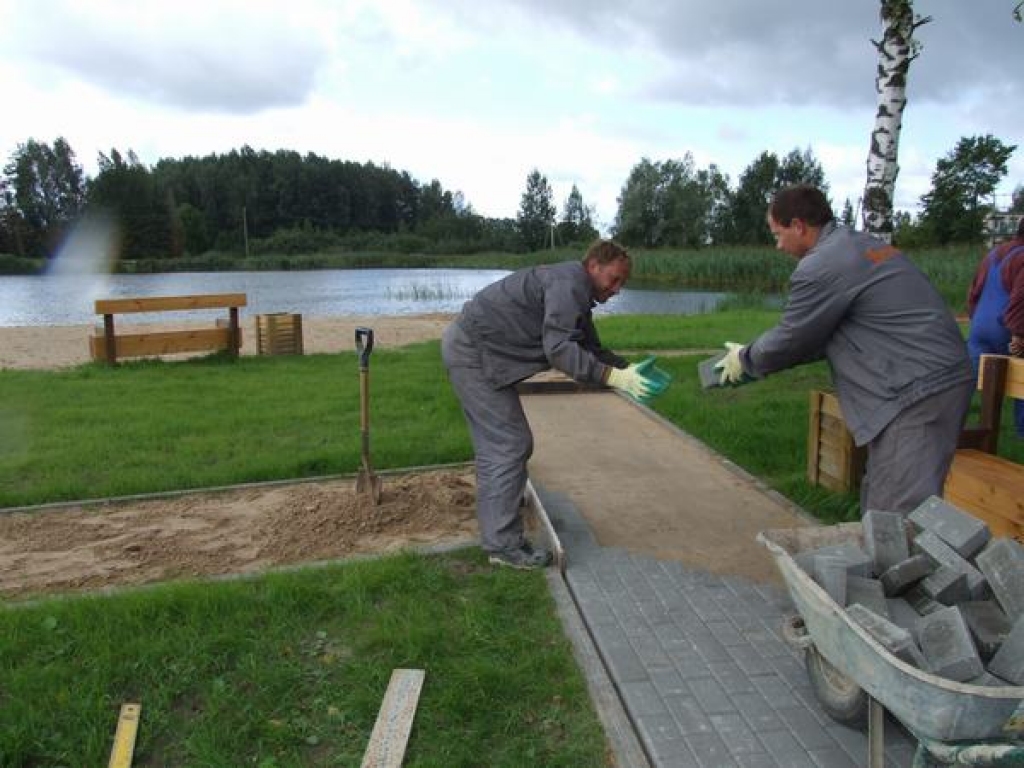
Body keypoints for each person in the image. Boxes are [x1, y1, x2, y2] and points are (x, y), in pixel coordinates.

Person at [715, 184, 974, 516]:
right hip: (932, 379)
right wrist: (754, 355)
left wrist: (746, 359)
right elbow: (821, 338)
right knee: (886, 492)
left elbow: (793, 337)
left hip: (916, 390)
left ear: (798, 226)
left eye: (777, 234)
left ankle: (902, 568)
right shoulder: (860, 244)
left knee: (896, 515)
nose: (778, 245)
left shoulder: (823, 264)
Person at [441, 240, 668, 569]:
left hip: (476, 349)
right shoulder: (569, 285)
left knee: (499, 445)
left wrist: (626, 370)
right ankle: (503, 545)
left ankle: (502, 507)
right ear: (593, 266)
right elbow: (559, 349)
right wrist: (611, 377)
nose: (617, 289)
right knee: (509, 443)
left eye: (623, 283)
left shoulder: (575, 289)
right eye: (614, 279)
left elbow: (587, 347)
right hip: (473, 354)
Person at [966, 215, 1024, 437]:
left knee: (966, 386)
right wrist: (1019, 335)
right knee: (1022, 380)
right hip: (1006, 329)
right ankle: (1022, 433)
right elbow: (1021, 299)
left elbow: (974, 294)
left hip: (980, 327)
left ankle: (951, 431)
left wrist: (976, 319)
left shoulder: (994, 255)